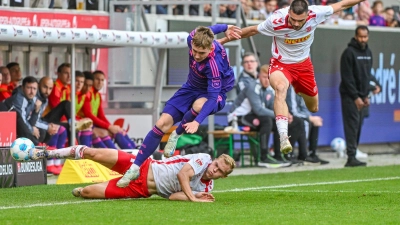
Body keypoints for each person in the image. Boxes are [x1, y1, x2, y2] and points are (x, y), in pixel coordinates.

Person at [220, 0, 367, 155]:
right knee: (280, 88)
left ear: (308, 15)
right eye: (293, 19)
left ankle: (298, 89)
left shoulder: (316, 13)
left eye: (300, 21)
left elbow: (342, 5)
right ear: (288, 12)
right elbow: (251, 30)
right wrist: (221, 41)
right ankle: (284, 136)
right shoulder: (276, 20)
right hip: (281, 64)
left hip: (303, 66)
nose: (296, 24)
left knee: (313, 107)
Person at [116, 24, 241, 188]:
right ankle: (135, 167)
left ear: (210, 49)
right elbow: (207, 30)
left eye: (201, 53)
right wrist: (224, 26)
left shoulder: (213, 66)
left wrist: (197, 122)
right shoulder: (192, 38)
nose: (196, 55)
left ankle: (177, 133)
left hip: (214, 94)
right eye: (194, 51)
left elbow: (211, 99)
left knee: (199, 106)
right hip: (190, 87)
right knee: (161, 124)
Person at [28, 145, 235, 202]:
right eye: (216, 165)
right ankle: (46, 153)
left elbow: (173, 196)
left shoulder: (207, 187)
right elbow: (183, 175)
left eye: (219, 171)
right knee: (92, 153)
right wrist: (194, 198)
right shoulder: (204, 159)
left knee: (87, 193)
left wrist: (195, 196)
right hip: (141, 164)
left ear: (222, 177)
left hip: (140, 188)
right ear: (214, 160)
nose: (213, 169)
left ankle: (85, 188)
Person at [228, 64, 291, 168]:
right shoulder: (252, 87)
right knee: (267, 120)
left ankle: (278, 155)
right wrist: (280, 115)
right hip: (237, 117)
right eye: (264, 77)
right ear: (259, 76)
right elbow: (259, 110)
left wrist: (283, 115)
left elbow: (273, 106)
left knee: (279, 124)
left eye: (269, 77)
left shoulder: (270, 88)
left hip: (252, 116)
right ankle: (263, 157)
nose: (266, 80)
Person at [339, 25, 380, 167]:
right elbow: (347, 78)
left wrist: (365, 95)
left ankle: (354, 153)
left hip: (362, 97)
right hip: (350, 96)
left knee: (358, 126)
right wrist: (356, 97)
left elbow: (366, 76)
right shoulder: (348, 53)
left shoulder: (368, 52)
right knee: (351, 126)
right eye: (361, 37)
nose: (363, 39)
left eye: (365, 36)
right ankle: (350, 157)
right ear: (356, 36)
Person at [81, 70, 136, 150]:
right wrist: (109, 127)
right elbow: (88, 114)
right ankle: (118, 157)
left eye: (102, 80)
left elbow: (101, 116)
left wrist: (111, 127)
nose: (100, 82)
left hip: (91, 124)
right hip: (86, 124)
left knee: (118, 131)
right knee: (109, 133)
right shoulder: (88, 93)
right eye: (97, 79)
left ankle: (135, 151)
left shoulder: (98, 95)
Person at [286, 86, 329, 164]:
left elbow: (305, 108)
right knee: (305, 122)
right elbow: (293, 111)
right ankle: (303, 154)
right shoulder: (292, 88)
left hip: (298, 116)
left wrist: (310, 117)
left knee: (315, 122)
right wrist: (309, 118)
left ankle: (312, 153)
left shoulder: (304, 89)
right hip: (289, 117)